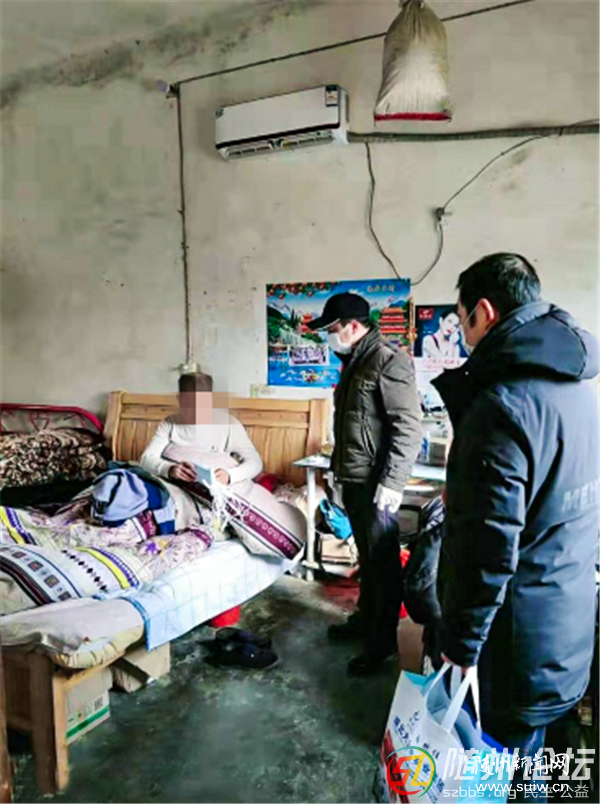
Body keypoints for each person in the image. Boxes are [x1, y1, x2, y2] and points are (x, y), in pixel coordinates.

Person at [433, 254, 599, 798]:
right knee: (539, 766)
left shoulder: (503, 404)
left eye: (462, 322)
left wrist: (460, 648)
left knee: (499, 775)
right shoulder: (578, 388)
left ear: (483, 313)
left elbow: (488, 551)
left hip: (515, 645)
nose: (463, 337)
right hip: (566, 627)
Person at [307, 291, 422, 676]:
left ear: (353, 326)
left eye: (332, 329)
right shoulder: (355, 360)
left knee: (383, 566)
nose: (329, 336)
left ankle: (382, 645)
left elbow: (408, 427)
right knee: (369, 562)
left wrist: (392, 483)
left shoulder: (387, 360)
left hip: (377, 484)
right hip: (357, 479)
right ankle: (366, 621)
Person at [140, 372, 263, 486]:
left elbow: (255, 463)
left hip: (214, 488)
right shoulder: (169, 424)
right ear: (179, 400)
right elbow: (146, 459)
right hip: (176, 486)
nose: (196, 411)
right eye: (189, 404)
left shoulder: (229, 425)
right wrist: (170, 469)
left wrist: (230, 475)